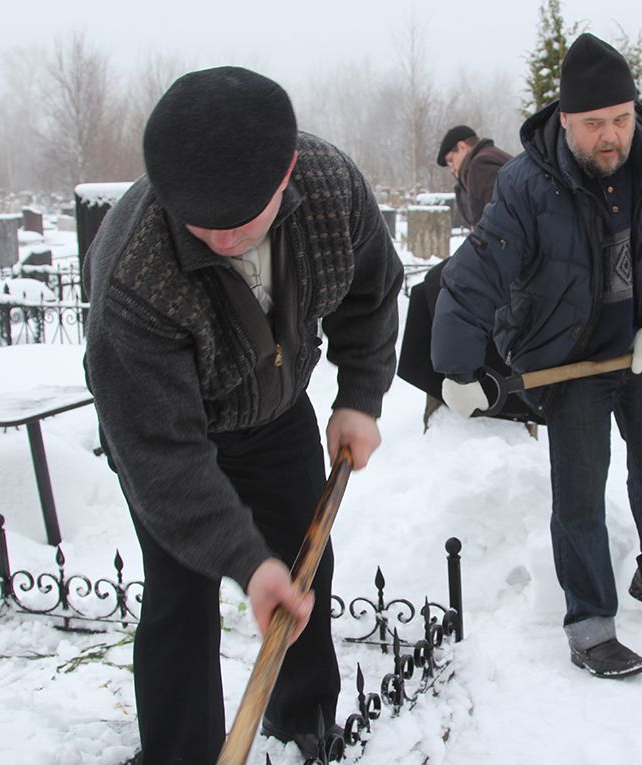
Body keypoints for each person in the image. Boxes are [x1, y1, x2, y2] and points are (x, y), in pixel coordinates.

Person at [83, 66, 402, 765]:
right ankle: (182, 750)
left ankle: (305, 716)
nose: (222, 240)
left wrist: (359, 396)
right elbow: (165, 456)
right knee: (180, 590)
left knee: (303, 559)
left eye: (241, 222)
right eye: (203, 226)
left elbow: (373, 290)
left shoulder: (327, 189)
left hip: (275, 409)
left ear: (285, 172)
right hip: (170, 430)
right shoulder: (134, 276)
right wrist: (241, 561)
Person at [431, 33, 642, 680]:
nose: (611, 136)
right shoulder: (528, 184)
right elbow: (477, 273)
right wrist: (455, 366)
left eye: (621, 118)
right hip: (572, 360)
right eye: (594, 125)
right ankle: (590, 623)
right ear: (565, 121)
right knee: (580, 495)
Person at [398, 127, 520, 430]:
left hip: (503, 263)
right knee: (429, 286)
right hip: (493, 258)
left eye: (450, 159)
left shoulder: (482, 163)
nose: (451, 168)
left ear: (463, 146)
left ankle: (447, 381)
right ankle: (441, 381)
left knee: (437, 286)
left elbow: (506, 218)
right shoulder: (482, 162)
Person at [436, 125, 514, 229]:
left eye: (451, 161)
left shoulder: (481, 165)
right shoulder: (491, 156)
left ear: (462, 147)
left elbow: (501, 219)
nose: (452, 169)